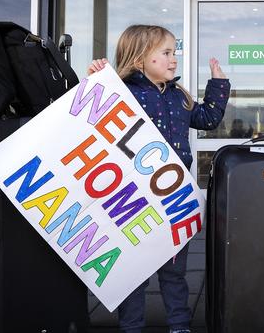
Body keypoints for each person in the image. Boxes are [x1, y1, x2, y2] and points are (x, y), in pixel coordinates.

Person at [88, 25, 230, 333]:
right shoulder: (123, 93)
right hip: (134, 200)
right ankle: (131, 327)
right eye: (166, 53)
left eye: (173, 53)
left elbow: (207, 118)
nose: (173, 60)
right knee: (134, 272)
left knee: (174, 271)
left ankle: (180, 326)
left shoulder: (178, 95)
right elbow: (94, 122)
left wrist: (218, 85)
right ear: (140, 59)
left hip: (172, 200)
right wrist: (100, 81)